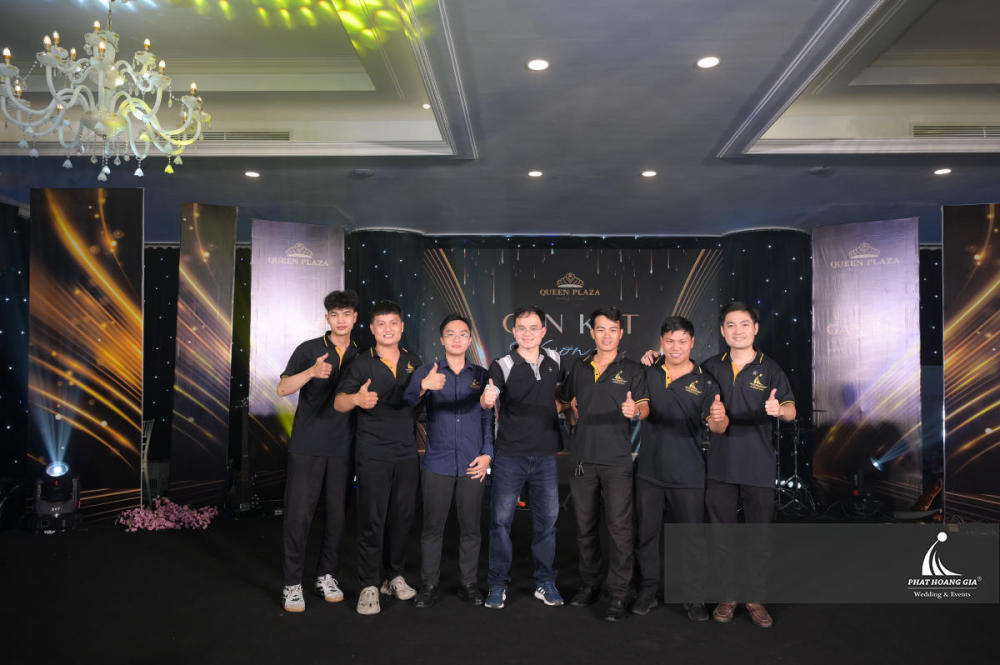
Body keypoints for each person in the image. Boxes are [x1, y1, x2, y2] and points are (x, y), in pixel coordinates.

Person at [700, 301, 795, 628]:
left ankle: (755, 598)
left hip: (758, 464)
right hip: (720, 464)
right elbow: (707, 416)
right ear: (722, 330)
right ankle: (728, 596)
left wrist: (779, 411)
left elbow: (791, 410)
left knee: (759, 536)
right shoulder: (710, 367)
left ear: (755, 328)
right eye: (730, 325)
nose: (737, 330)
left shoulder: (771, 368)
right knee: (721, 536)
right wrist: (715, 419)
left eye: (744, 324)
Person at [632, 316, 728, 622]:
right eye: (670, 341)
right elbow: (640, 408)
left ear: (692, 342)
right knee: (646, 535)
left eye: (682, 341)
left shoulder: (706, 382)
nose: (675, 347)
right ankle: (648, 590)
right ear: (661, 342)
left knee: (691, 538)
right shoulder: (647, 372)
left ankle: (693, 597)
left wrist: (719, 418)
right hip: (649, 471)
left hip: (688, 473)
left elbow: (718, 426)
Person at [560, 306, 649, 622]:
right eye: (601, 329)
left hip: (616, 461)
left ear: (620, 333)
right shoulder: (579, 366)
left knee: (619, 528)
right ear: (592, 333)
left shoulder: (633, 369)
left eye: (613, 329)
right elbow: (564, 401)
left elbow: (644, 407)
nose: (607, 335)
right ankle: (589, 584)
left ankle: (619, 592)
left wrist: (634, 412)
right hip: (582, 459)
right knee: (584, 526)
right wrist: (569, 412)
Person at [335, 300, 422, 616]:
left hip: (406, 452)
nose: (388, 329)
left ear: (402, 327)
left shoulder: (414, 361)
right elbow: (339, 403)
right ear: (372, 329)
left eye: (393, 323)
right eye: (381, 324)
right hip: (373, 453)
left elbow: (417, 405)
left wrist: (425, 390)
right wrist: (357, 399)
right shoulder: (361, 363)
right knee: (373, 519)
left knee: (402, 517)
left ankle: (393, 576)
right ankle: (368, 584)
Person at [277, 289, 359, 614]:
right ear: (327, 318)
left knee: (337, 516)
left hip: (344, 447)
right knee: (299, 516)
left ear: (355, 317)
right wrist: (311, 372)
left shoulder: (361, 354)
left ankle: (326, 576)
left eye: (346, 314)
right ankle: (292, 583)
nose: (341, 320)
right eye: (335, 315)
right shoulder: (309, 349)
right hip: (308, 445)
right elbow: (282, 388)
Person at [403, 314, 493, 608]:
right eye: (450, 334)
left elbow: (487, 416)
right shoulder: (427, 371)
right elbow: (406, 402)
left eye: (462, 334)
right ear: (442, 339)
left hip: (472, 463)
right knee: (432, 528)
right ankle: (429, 585)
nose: (457, 339)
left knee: (471, 529)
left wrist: (487, 454)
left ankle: (469, 584)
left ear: (469, 339)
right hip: (437, 463)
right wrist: (424, 386)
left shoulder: (481, 375)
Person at [481, 305, 565, 609]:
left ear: (543, 331)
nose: (527, 334)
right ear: (514, 331)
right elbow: (487, 399)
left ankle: (545, 582)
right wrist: (487, 399)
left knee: (547, 523)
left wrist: (564, 407)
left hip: (545, 456)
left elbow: (560, 396)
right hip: (510, 456)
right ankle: (497, 583)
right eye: (521, 328)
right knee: (500, 522)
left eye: (533, 328)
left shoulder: (555, 359)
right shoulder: (501, 364)